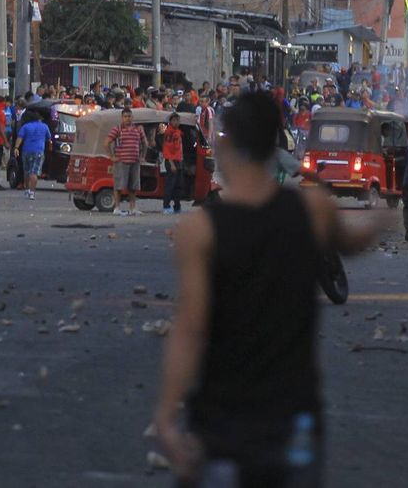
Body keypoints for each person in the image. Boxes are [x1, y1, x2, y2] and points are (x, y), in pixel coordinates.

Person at [154, 92, 380, 487]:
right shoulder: (312, 211)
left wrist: (167, 414)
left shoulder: (199, 229)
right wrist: (385, 217)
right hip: (293, 416)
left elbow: (190, 327)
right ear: (274, 145)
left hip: (221, 419)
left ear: (225, 144)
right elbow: (352, 242)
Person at [106, 107, 146, 216]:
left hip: (135, 161)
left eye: (129, 116)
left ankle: (133, 208)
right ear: (122, 118)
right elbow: (107, 143)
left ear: (132, 117)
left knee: (133, 187)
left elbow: (144, 143)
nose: (128, 119)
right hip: (121, 162)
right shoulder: (117, 129)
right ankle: (117, 208)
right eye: (125, 116)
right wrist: (112, 157)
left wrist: (142, 156)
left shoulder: (138, 129)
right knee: (118, 186)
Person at [13, 110, 50, 201]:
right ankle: (32, 192)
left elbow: (20, 138)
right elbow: (48, 138)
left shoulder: (26, 127)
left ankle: (27, 189)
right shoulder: (45, 126)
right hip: (39, 151)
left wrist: (16, 148)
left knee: (27, 171)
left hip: (27, 150)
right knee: (34, 172)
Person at [160, 113, 186, 215]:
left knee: (178, 185)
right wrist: (171, 164)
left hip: (179, 160)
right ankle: (166, 206)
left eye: (178, 120)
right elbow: (167, 149)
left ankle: (177, 206)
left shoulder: (178, 132)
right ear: (170, 122)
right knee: (170, 185)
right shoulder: (168, 133)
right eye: (174, 120)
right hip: (172, 161)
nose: (176, 122)